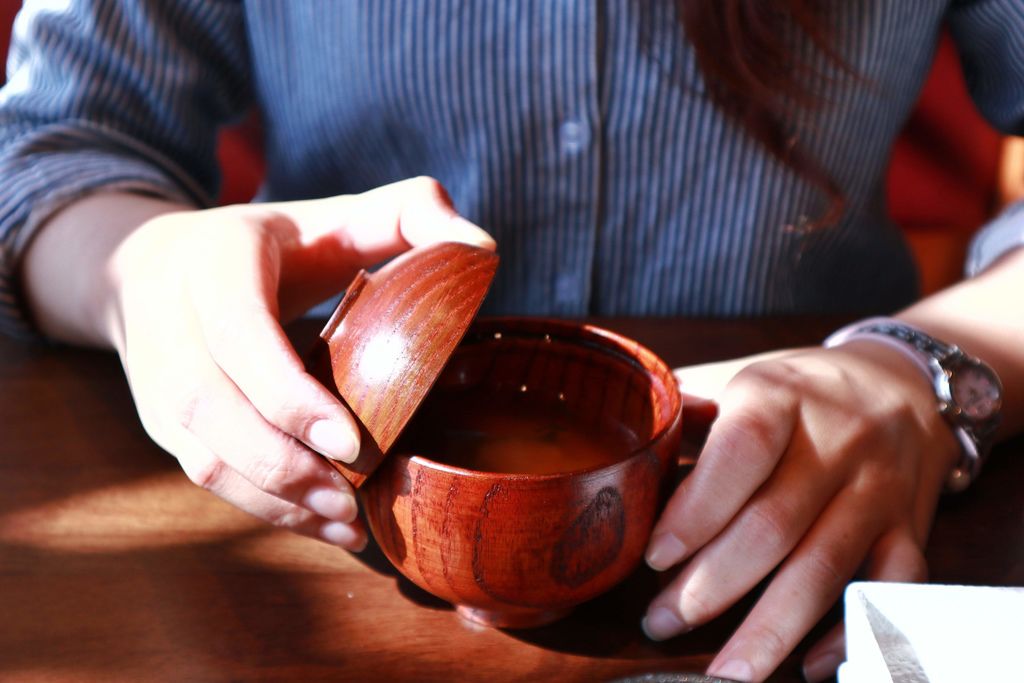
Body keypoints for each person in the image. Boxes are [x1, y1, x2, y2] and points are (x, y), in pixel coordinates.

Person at [2, 2, 1022, 681]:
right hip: (335, 522)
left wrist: (919, 364)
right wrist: (139, 267)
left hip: (804, 526)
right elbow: (51, 148)